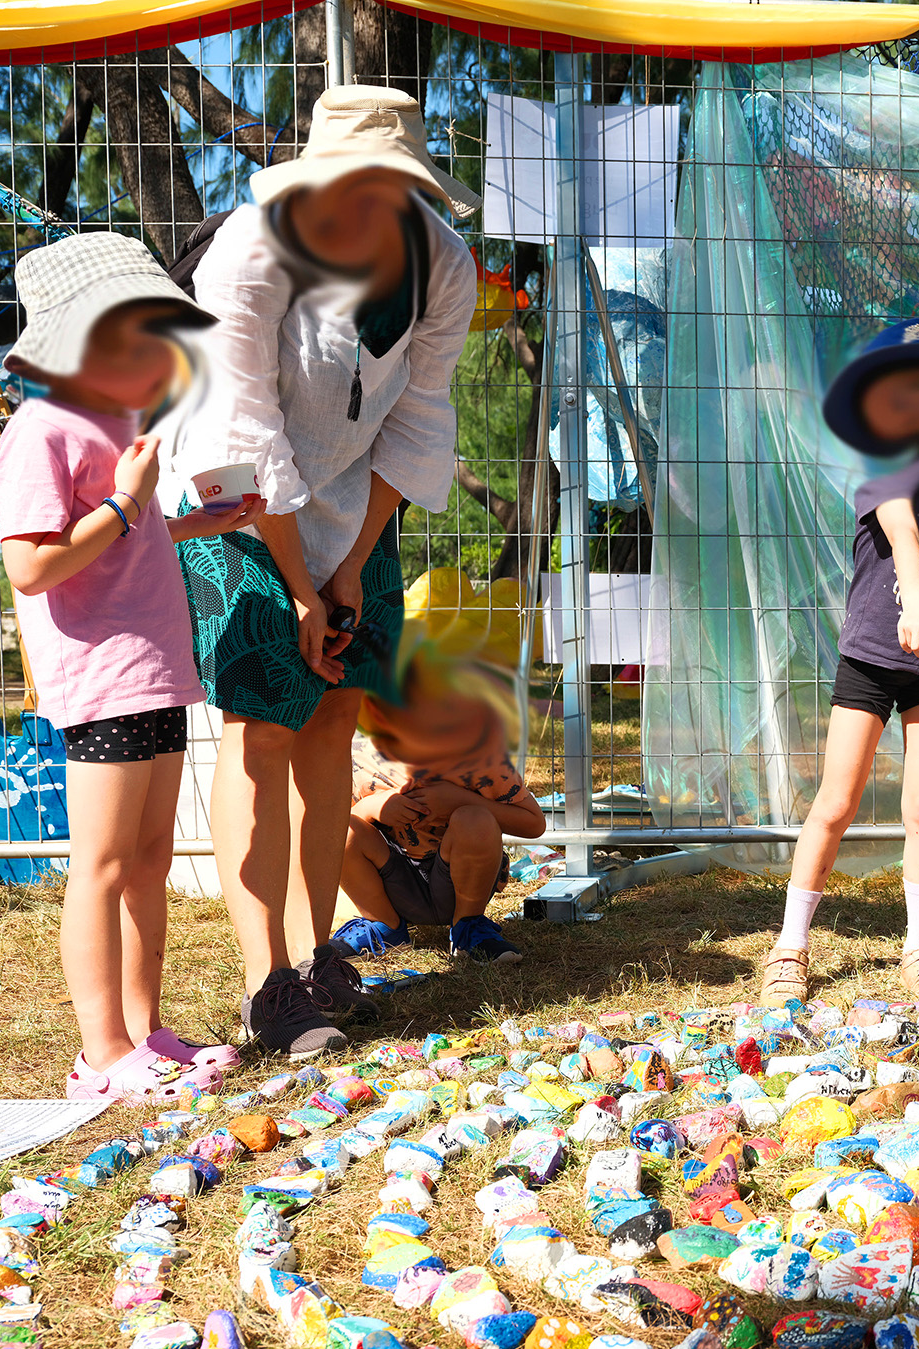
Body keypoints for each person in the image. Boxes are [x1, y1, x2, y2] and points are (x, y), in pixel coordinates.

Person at [171, 87, 478, 1056]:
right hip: (240, 506)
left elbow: (420, 419)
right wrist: (305, 585)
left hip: (355, 503)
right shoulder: (251, 256)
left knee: (334, 710)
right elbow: (245, 434)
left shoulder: (443, 264)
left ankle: (316, 956)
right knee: (261, 728)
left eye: (396, 189)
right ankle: (265, 984)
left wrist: (350, 562)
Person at [0, 233, 265, 1100]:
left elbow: (120, 546)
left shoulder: (119, 428)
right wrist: (125, 502)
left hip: (155, 671)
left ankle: (147, 1033)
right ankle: (102, 1054)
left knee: (149, 859)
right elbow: (34, 565)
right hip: (103, 676)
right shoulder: (40, 432)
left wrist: (192, 524)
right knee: (104, 865)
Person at [757, 319, 919, 1008]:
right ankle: (790, 946)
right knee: (837, 803)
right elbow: (902, 523)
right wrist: (912, 596)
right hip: (876, 655)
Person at [332, 572, 546, 965]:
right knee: (337, 830)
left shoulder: (479, 758)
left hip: (463, 880)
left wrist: (461, 801)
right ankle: (382, 925)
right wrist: (376, 808)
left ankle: (469, 928)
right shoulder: (363, 756)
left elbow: (533, 824)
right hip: (394, 881)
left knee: (475, 820)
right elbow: (343, 821)